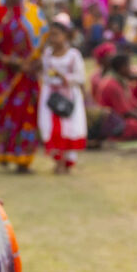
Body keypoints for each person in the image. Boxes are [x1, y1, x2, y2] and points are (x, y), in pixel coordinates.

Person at [0, 0, 47, 171]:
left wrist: (36, 62)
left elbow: (43, 40)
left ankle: (23, 159)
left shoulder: (33, 13)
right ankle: (4, 153)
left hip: (28, 73)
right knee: (6, 114)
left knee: (26, 114)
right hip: (6, 74)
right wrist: (7, 60)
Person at [38, 15, 86, 173]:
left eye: (56, 34)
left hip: (68, 97)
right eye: (51, 34)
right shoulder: (47, 54)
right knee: (52, 129)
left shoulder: (73, 55)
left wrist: (63, 77)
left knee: (68, 128)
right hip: (50, 96)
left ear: (65, 35)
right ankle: (58, 160)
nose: (53, 38)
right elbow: (45, 74)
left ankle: (66, 161)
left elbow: (80, 77)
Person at [95, 53, 137, 140]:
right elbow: (126, 112)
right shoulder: (113, 85)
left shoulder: (118, 80)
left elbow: (133, 102)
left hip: (118, 121)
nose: (130, 69)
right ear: (122, 68)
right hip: (115, 125)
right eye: (128, 66)